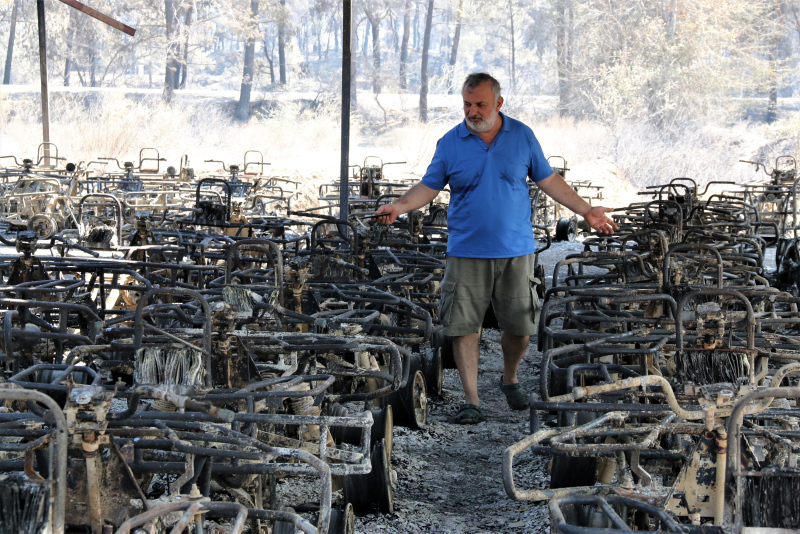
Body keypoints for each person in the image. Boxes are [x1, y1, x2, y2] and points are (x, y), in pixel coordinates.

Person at [373, 73, 617, 424]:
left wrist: (587, 210)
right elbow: (429, 186)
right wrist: (398, 206)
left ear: (499, 103)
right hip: (466, 250)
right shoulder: (450, 142)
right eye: (467, 104)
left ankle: (509, 377)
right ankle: (472, 400)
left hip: (516, 250)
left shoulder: (522, 136)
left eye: (480, 105)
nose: (472, 111)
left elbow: (549, 180)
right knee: (463, 326)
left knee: (521, 326)